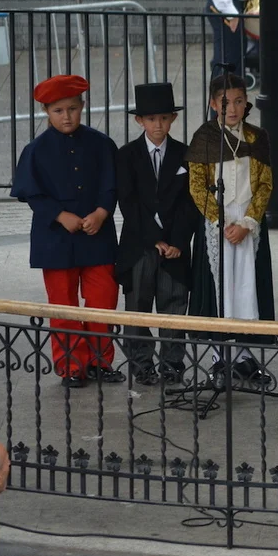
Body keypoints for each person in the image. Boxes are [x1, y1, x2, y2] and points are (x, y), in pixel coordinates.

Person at [10, 75, 123, 389]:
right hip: (55, 239)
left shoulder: (101, 144)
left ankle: (101, 361)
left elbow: (112, 184)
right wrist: (60, 215)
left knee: (103, 300)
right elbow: (31, 193)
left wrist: (102, 212)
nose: (67, 116)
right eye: (58, 110)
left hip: (97, 235)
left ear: (82, 106)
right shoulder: (35, 150)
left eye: (72, 108)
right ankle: (71, 365)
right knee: (62, 304)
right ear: (46, 111)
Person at [186, 73, 274, 388]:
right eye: (225, 103)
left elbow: (265, 184)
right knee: (220, 290)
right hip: (217, 225)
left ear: (246, 102)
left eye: (238, 101)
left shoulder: (257, 137)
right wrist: (221, 222)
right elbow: (197, 186)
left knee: (247, 289)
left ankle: (245, 357)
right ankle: (219, 357)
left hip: (249, 224)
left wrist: (247, 223)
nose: (232, 109)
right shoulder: (204, 137)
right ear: (213, 104)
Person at [116, 83, 196, 388]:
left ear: (173, 118)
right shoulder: (127, 155)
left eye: (164, 118)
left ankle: (173, 364)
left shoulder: (185, 154)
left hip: (175, 245)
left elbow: (191, 202)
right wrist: (155, 239)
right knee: (138, 305)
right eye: (151, 119)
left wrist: (177, 242)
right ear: (140, 121)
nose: (158, 125)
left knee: (174, 304)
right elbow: (128, 202)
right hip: (140, 243)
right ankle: (142, 364)